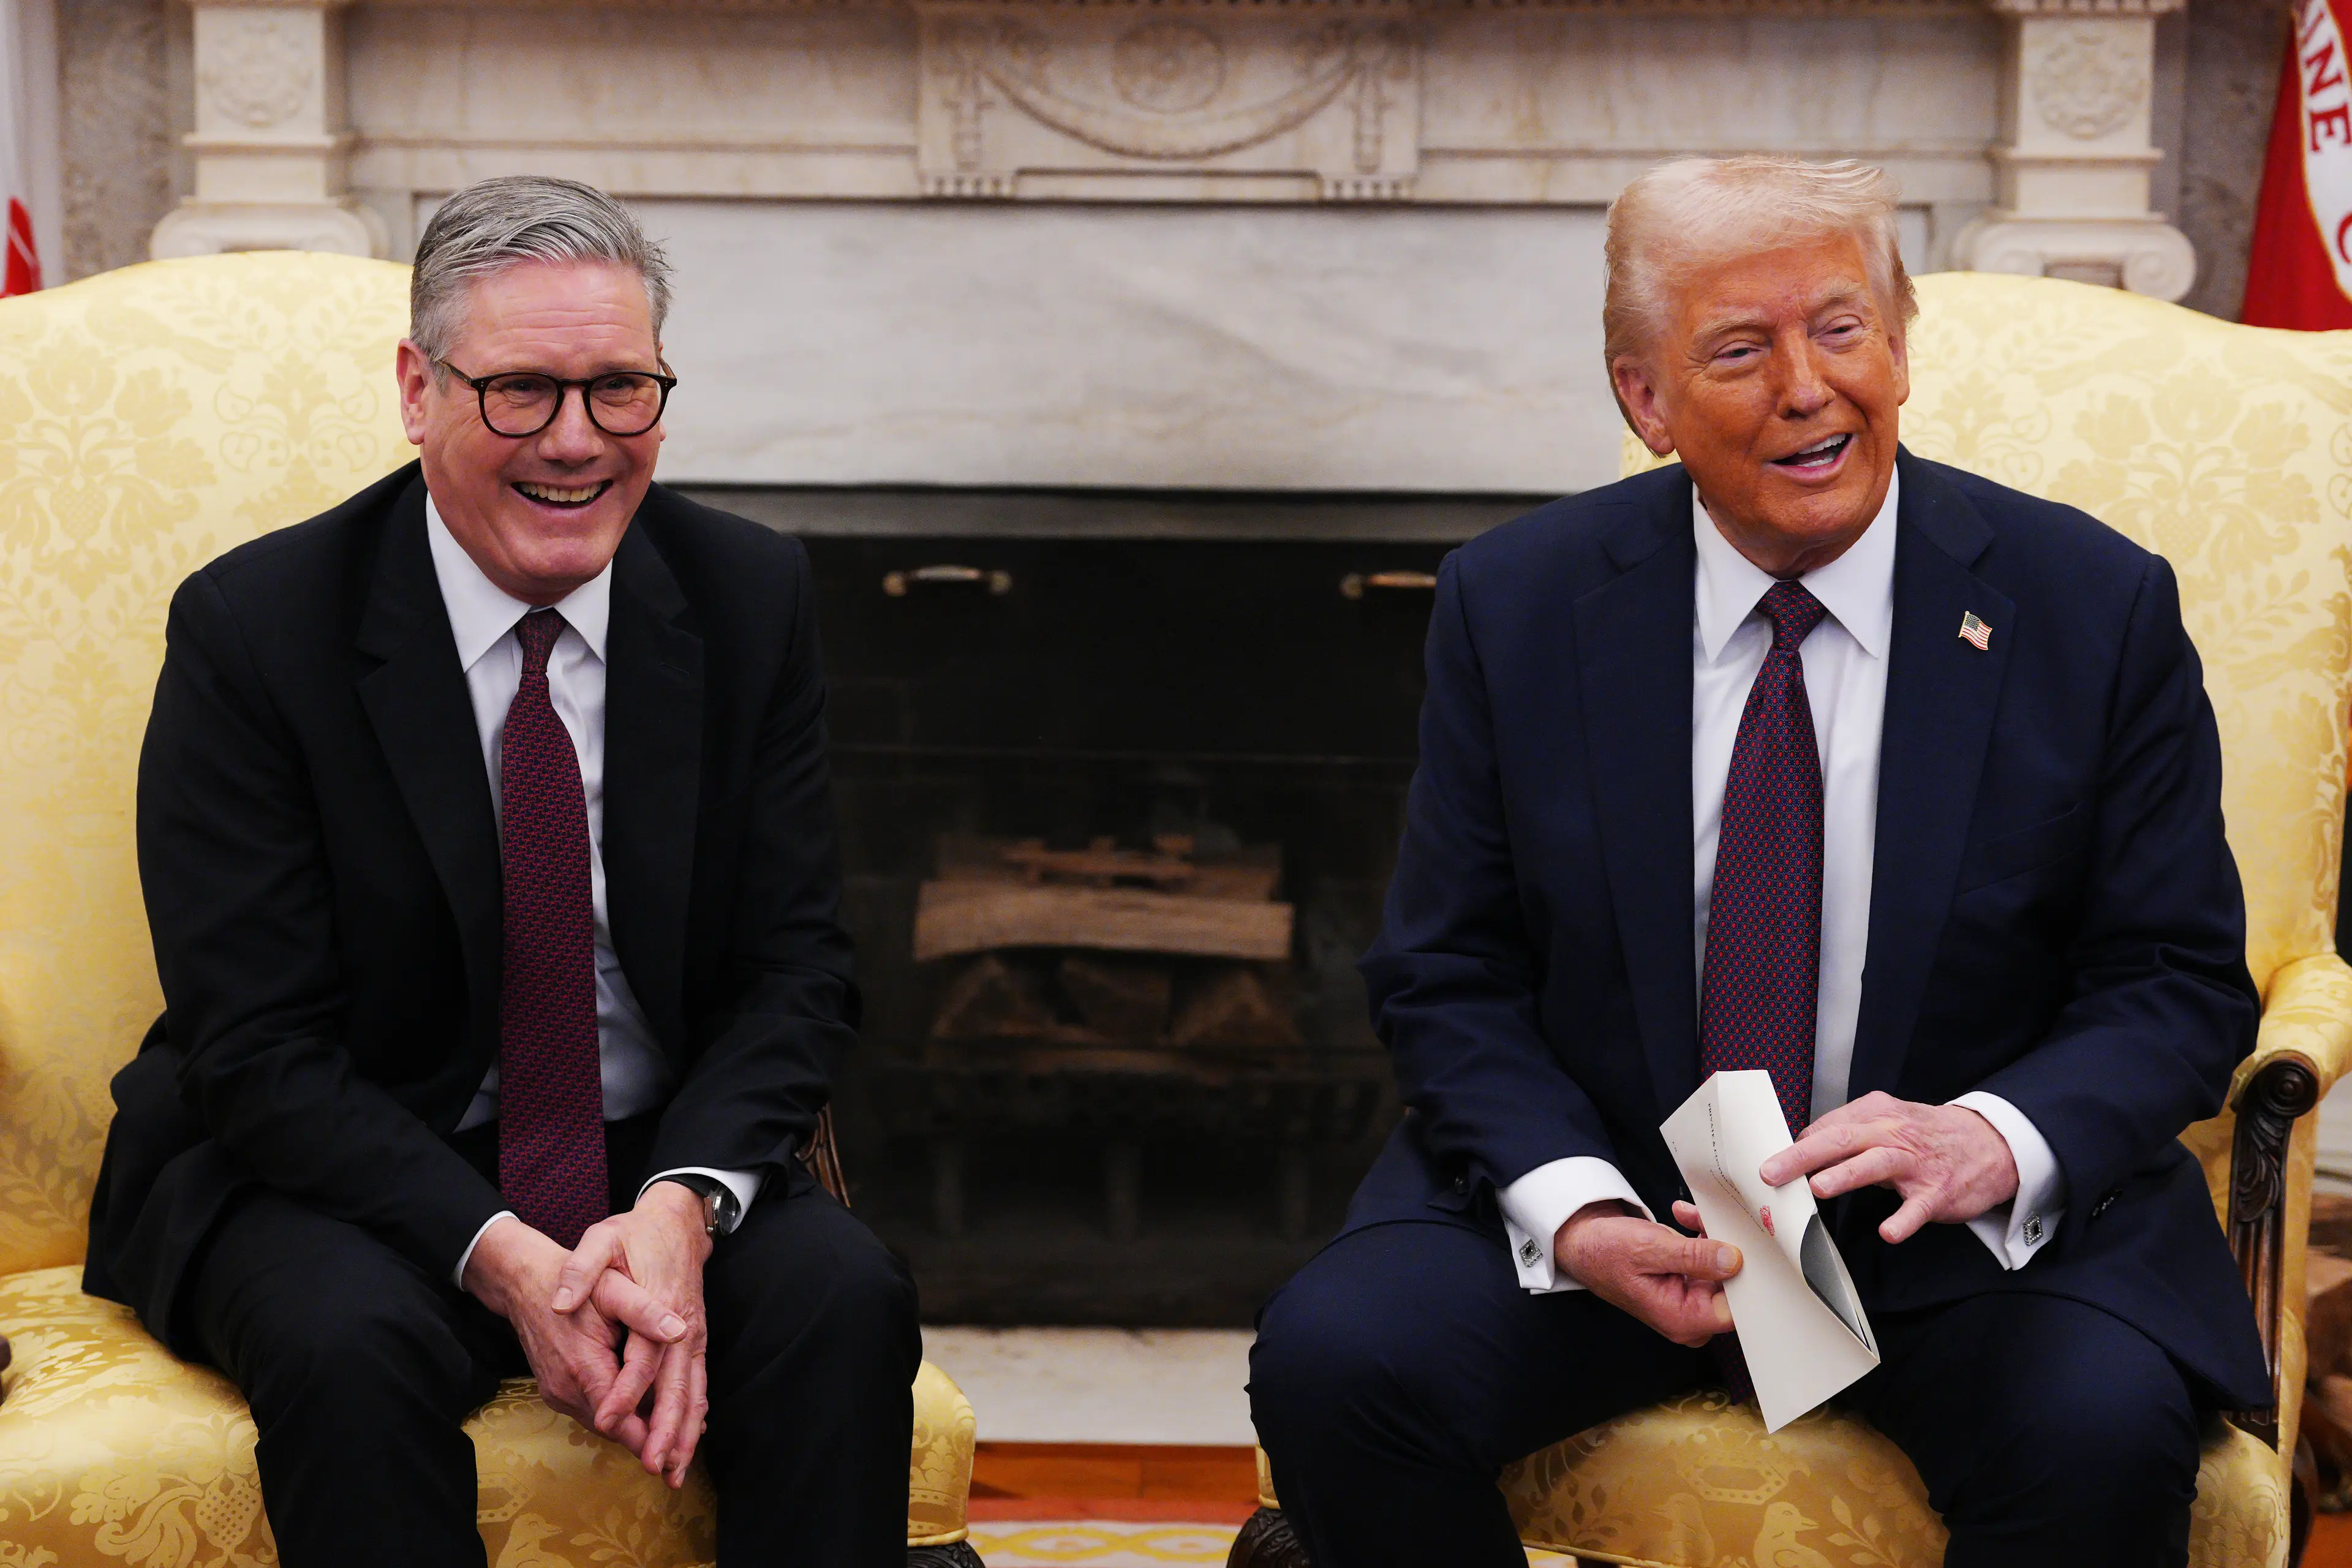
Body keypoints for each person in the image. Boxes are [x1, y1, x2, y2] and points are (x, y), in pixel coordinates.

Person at [1248, 156, 2271, 1568]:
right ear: (1645, 400)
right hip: (1624, 1199)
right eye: (1740, 349)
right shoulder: (1519, 602)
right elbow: (1447, 965)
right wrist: (1581, 1210)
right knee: (1338, 1362)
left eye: (1842, 329)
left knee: (2097, 1429)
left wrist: (1987, 1137)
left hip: (1954, 1237)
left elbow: (2175, 980)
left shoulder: (2091, 607)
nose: (1808, 387)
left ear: (1901, 343)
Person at [82, 175, 920, 1567]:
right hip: (328, 1162)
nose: (578, 443)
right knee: (349, 1349)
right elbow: (255, 1044)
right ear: (420, 390)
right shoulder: (258, 628)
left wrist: (680, 1208)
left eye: (622, 390)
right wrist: (501, 1248)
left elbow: (797, 968)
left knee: (841, 1290)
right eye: (523, 391)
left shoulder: (746, 596)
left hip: (643, 1153)